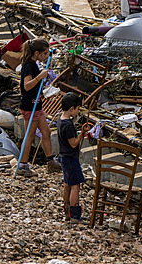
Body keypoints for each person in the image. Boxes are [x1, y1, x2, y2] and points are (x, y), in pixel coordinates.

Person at [17, 38, 61, 177]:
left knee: (46, 132)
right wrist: (39, 77)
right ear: (37, 53)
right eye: (45, 54)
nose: (46, 56)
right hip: (30, 105)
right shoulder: (29, 66)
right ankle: (23, 165)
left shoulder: (33, 64)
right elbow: (26, 85)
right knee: (29, 136)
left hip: (36, 104)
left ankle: (50, 161)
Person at [57, 92, 91, 224]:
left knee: (67, 184)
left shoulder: (60, 120)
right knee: (75, 186)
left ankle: (66, 211)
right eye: (77, 109)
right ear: (72, 108)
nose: (77, 112)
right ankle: (75, 215)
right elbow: (73, 143)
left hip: (63, 157)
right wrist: (82, 134)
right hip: (71, 158)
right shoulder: (68, 125)